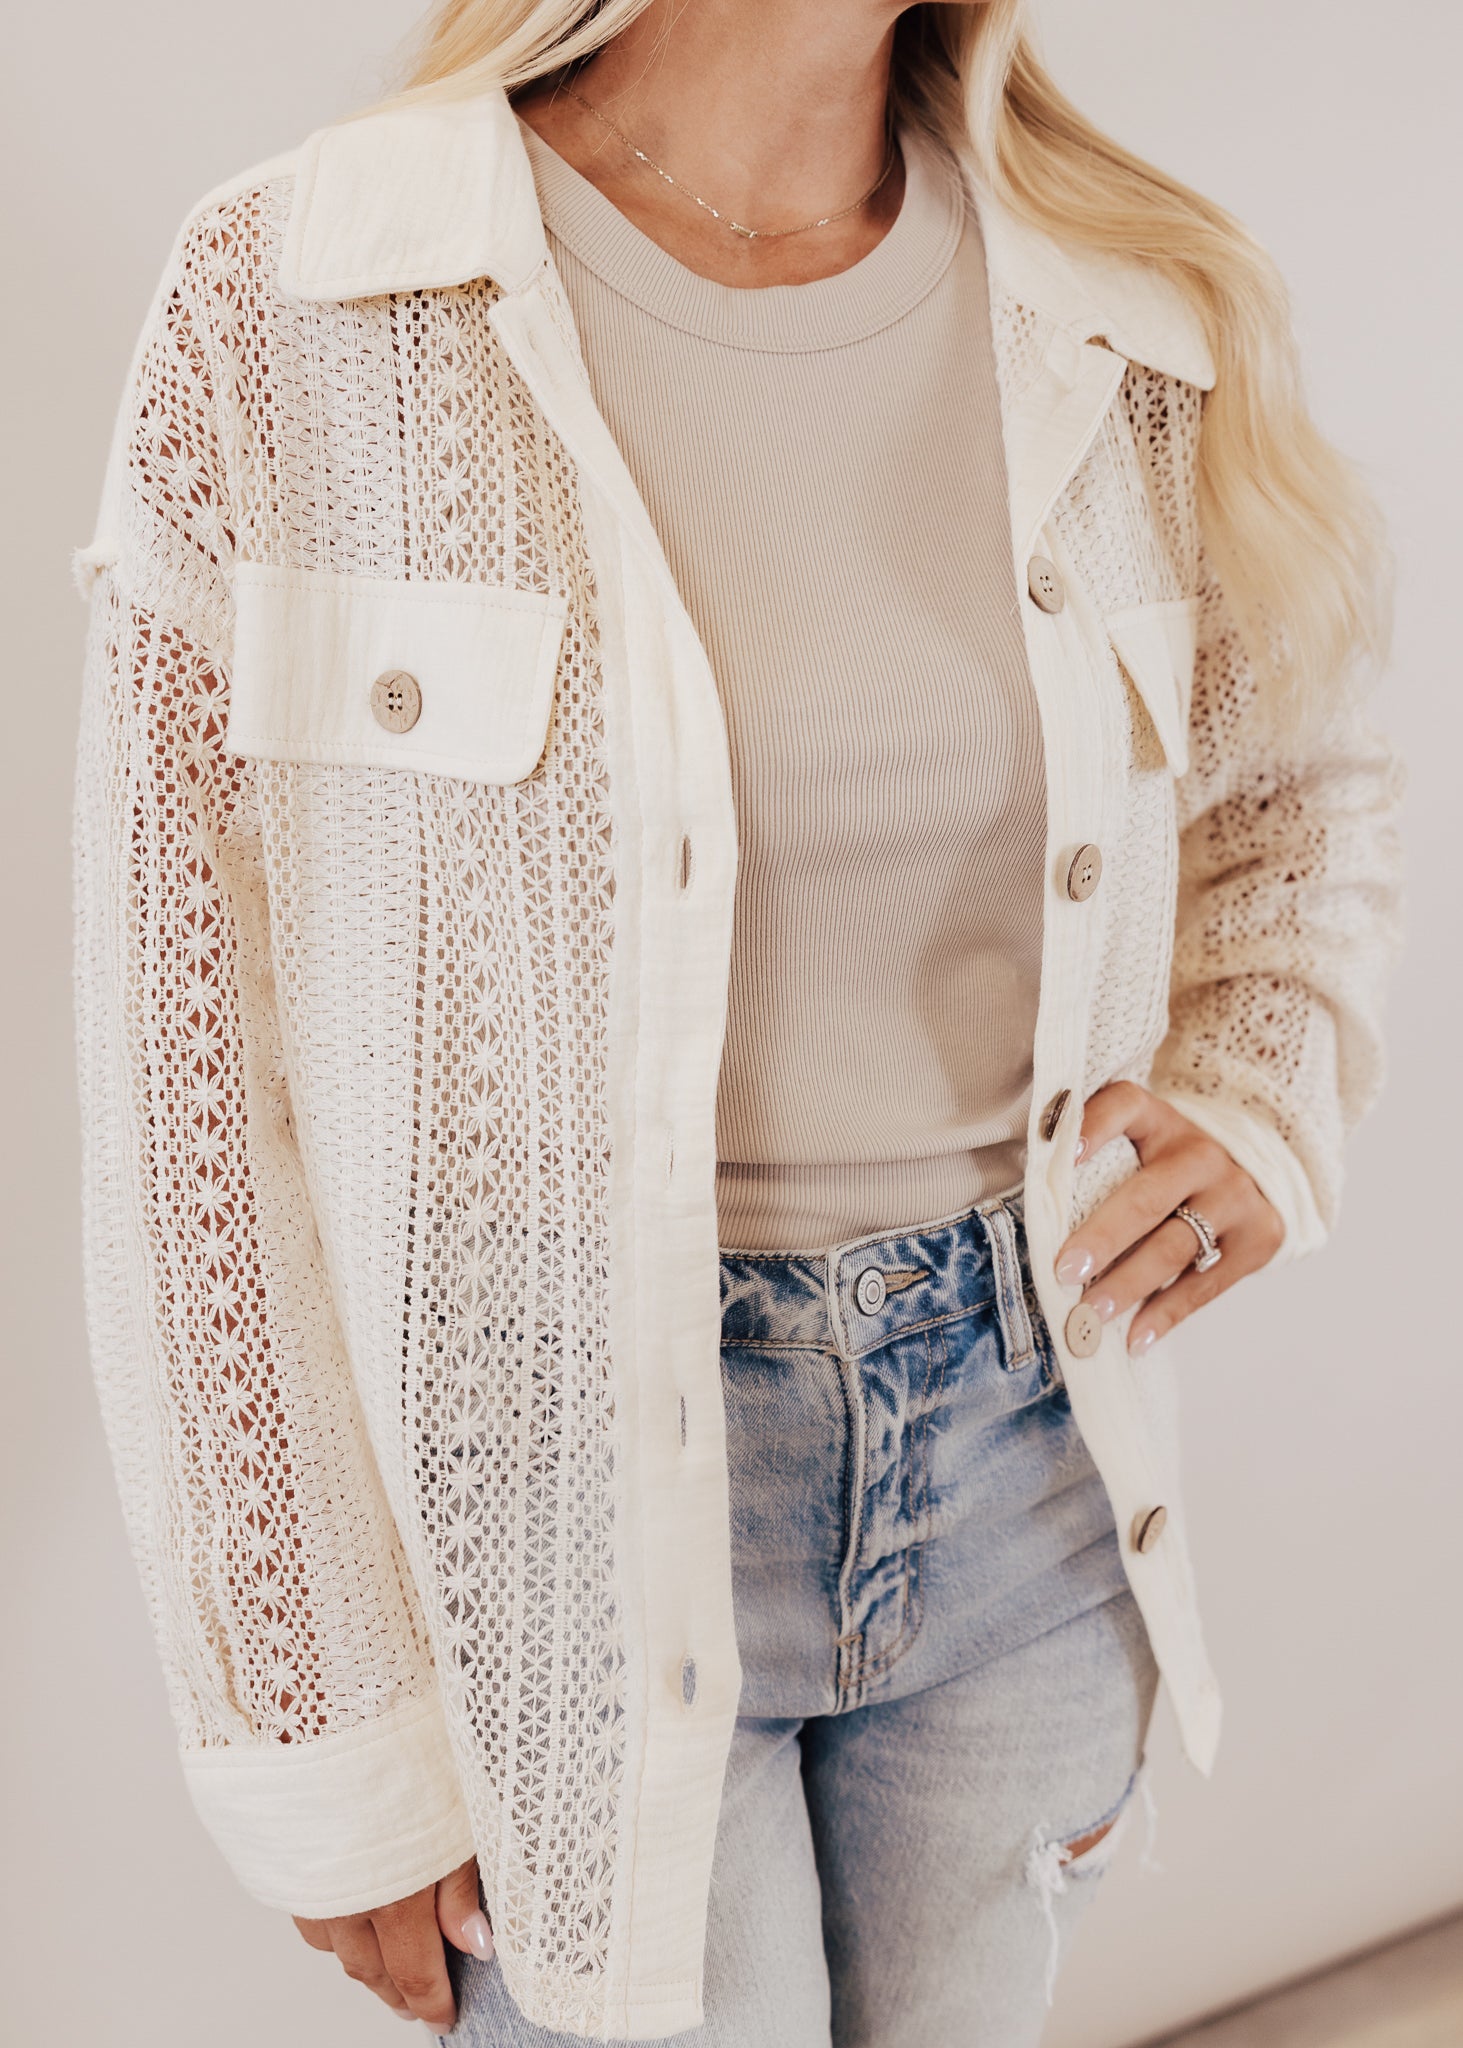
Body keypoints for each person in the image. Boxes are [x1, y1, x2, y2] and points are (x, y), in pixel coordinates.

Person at [70, 1, 1403, 2042]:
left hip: (1026, 1442)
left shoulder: (1123, 298)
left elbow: (1294, 769)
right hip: (548, 1517)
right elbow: (182, 1081)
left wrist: (1265, 1079)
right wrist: (315, 1725)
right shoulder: (305, 292)